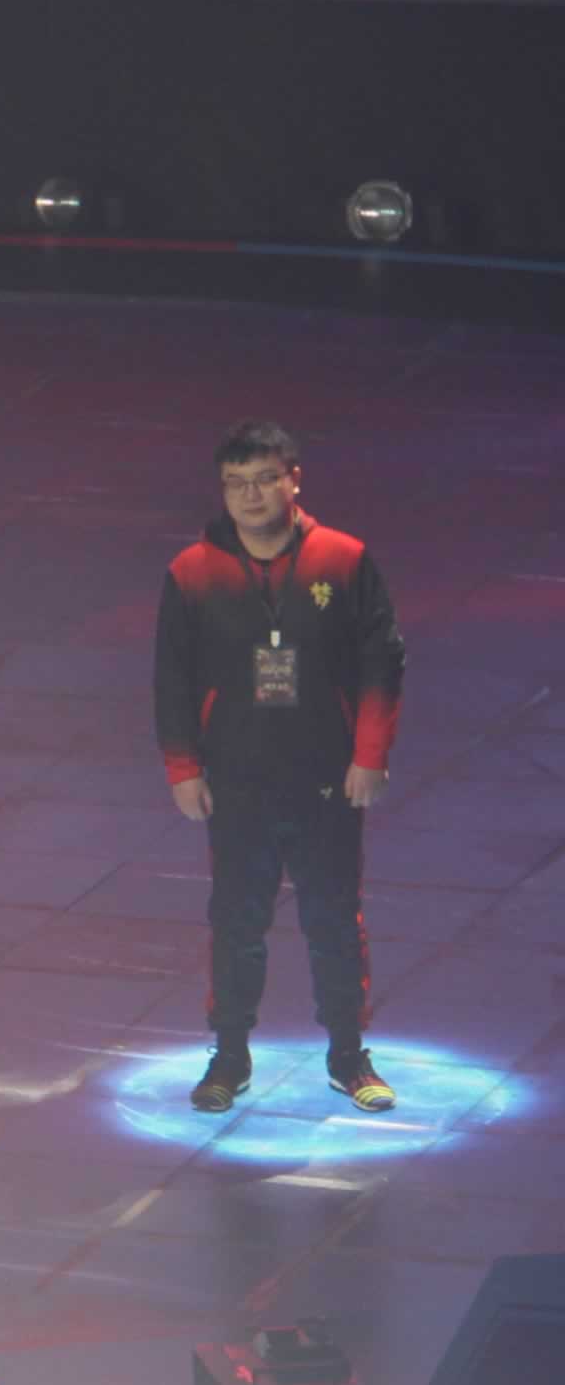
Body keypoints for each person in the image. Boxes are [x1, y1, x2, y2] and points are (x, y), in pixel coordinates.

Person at [154, 421, 406, 1114]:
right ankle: (229, 1056)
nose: (251, 495)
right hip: (236, 780)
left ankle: (349, 1056)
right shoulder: (192, 572)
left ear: (294, 480)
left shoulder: (344, 560)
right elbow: (171, 677)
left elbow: (382, 662)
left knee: (334, 920)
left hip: (327, 776)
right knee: (235, 922)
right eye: (235, 484)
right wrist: (183, 767)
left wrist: (370, 755)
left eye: (265, 479)